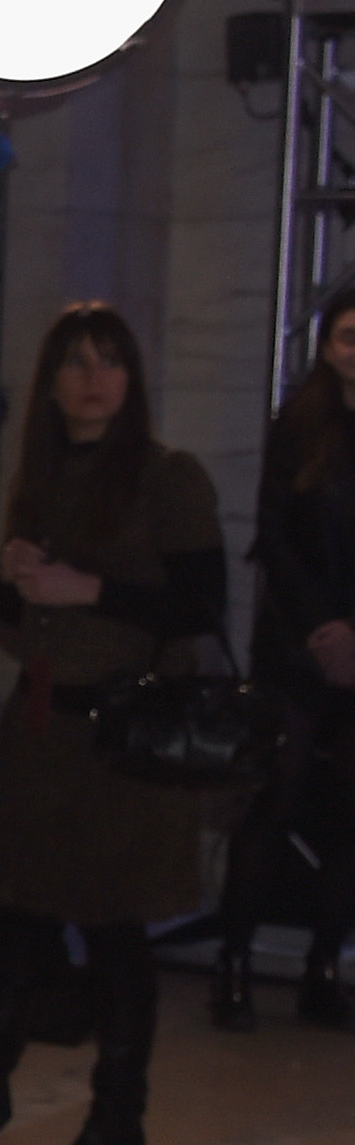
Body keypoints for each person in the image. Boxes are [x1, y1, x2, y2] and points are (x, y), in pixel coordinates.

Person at [0, 304, 225, 1145]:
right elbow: (11, 623)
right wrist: (7, 581)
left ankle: (117, 1125)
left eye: (111, 360)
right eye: (76, 361)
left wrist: (89, 588)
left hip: (123, 735)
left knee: (113, 930)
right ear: (49, 382)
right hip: (39, 727)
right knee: (10, 921)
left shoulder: (167, 475)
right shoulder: (38, 476)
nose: (94, 378)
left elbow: (200, 605)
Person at [213, 273, 355, 1030]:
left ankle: (323, 967)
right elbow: (274, 536)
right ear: (326, 347)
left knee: (349, 818)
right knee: (273, 803)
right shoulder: (296, 425)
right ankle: (232, 961)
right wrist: (324, 628)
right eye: (348, 337)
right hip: (297, 646)